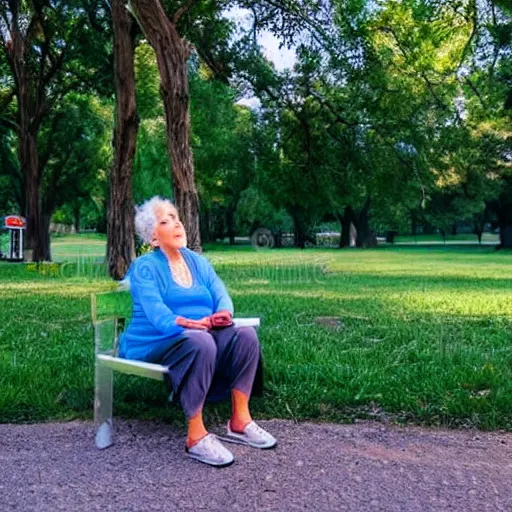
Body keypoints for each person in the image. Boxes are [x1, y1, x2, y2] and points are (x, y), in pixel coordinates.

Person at [119, 196, 276, 467]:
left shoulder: (198, 262)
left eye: (176, 218)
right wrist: (193, 324)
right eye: (165, 221)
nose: (177, 224)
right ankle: (196, 435)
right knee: (202, 342)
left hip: (198, 336)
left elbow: (220, 294)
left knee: (245, 334)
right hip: (157, 341)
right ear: (153, 238)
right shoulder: (145, 267)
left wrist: (223, 314)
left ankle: (240, 420)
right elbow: (158, 316)